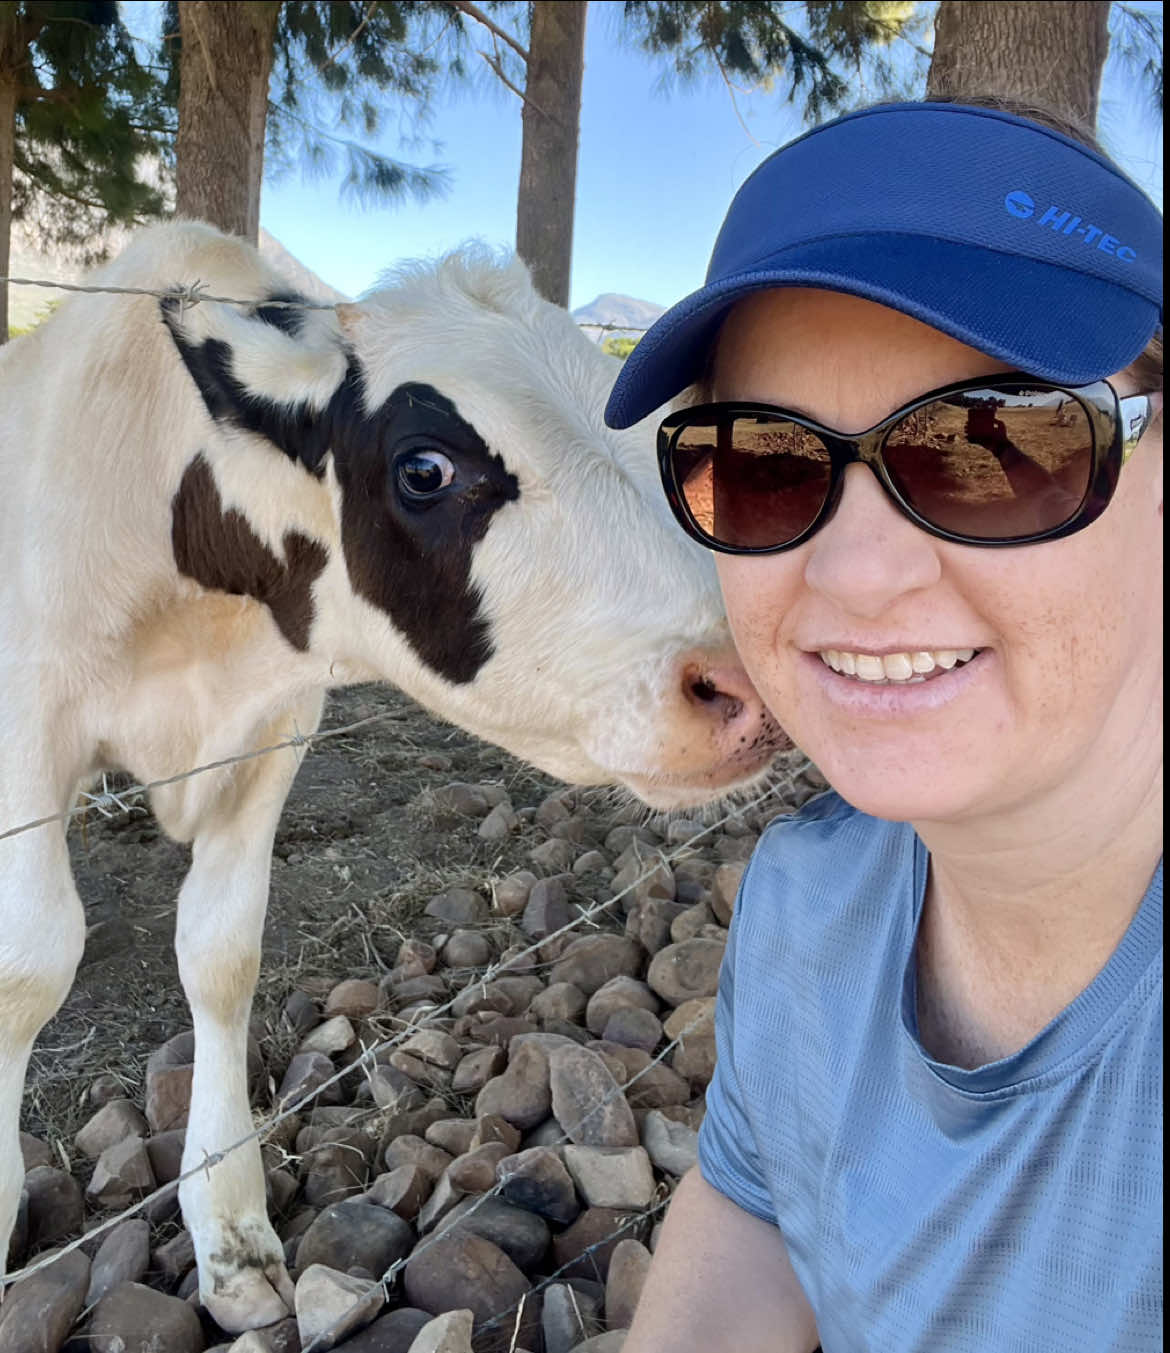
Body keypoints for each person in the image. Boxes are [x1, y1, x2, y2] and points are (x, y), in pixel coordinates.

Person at [604, 99, 1162, 1353]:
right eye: (763, 464)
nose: (854, 577)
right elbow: (758, 1221)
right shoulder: (808, 904)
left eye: (1001, 445)